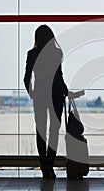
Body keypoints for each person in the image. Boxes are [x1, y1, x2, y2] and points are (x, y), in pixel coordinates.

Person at [23, 25, 74, 179]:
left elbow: (26, 78)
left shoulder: (32, 54)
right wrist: (66, 91)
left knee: (41, 131)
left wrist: (31, 93)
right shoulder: (56, 53)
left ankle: (44, 166)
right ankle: (49, 166)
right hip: (56, 94)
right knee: (53, 132)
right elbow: (59, 76)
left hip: (40, 95)